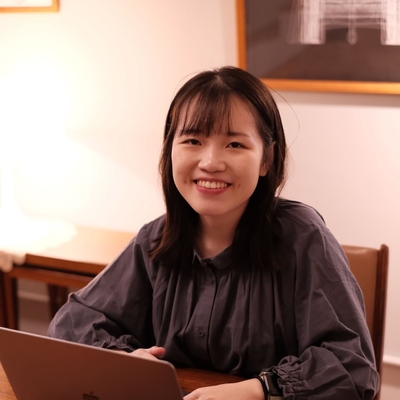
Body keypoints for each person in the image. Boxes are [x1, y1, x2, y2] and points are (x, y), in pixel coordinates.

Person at [48, 66, 379, 400]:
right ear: (170, 150)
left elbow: (352, 367)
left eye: (234, 144)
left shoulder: (303, 237)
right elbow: (74, 323)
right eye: (193, 140)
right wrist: (122, 358)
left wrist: (257, 390)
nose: (210, 162)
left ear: (266, 160)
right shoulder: (156, 238)